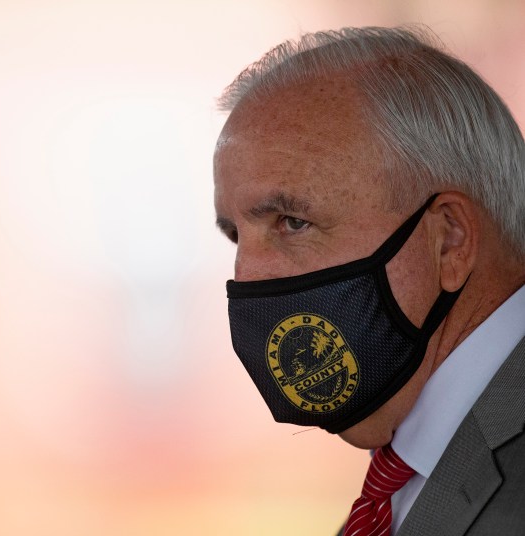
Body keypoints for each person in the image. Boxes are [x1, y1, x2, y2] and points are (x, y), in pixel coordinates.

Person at [213, 26, 525, 535]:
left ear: (448, 240)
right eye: (234, 234)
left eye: (292, 221)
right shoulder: (401, 483)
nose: (246, 275)